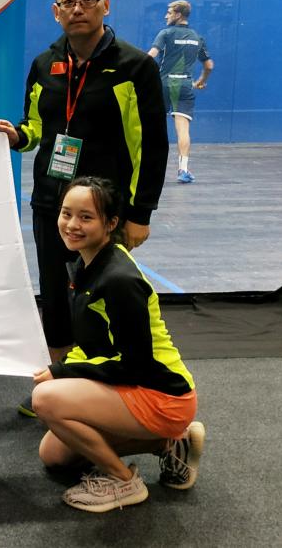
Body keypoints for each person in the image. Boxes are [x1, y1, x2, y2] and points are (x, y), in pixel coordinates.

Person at [0, 0, 168, 417]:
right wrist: (18, 136)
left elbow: (152, 145)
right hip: (54, 207)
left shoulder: (135, 67)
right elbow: (37, 127)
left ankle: (108, 392)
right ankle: (60, 380)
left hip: (105, 212)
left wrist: (140, 212)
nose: (78, 8)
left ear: (105, 6)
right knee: (55, 294)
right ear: (56, 12)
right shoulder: (44, 64)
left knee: (100, 299)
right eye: (68, 2)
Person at [30, 176, 203, 513]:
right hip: (135, 385)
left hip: (163, 395)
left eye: (86, 217)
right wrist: (60, 370)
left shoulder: (118, 280)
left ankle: (123, 481)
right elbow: (95, 344)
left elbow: (135, 364)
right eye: (66, 213)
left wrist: (61, 372)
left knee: (46, 399)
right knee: (54, 455)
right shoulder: (88, 262)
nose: (72, 225)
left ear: (110, 224)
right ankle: (170, 443)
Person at [148, 0, 214, 184]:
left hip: (163, 85)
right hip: (184, 85)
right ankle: (183, 170)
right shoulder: (197, 37)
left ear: (178, 15)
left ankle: (148, 167)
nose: (166, 16)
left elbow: (150, 56)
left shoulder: (166, 33)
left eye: (169, 12)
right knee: (183, 130)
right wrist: (201, 81)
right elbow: (209, 65)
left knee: (153, 127)